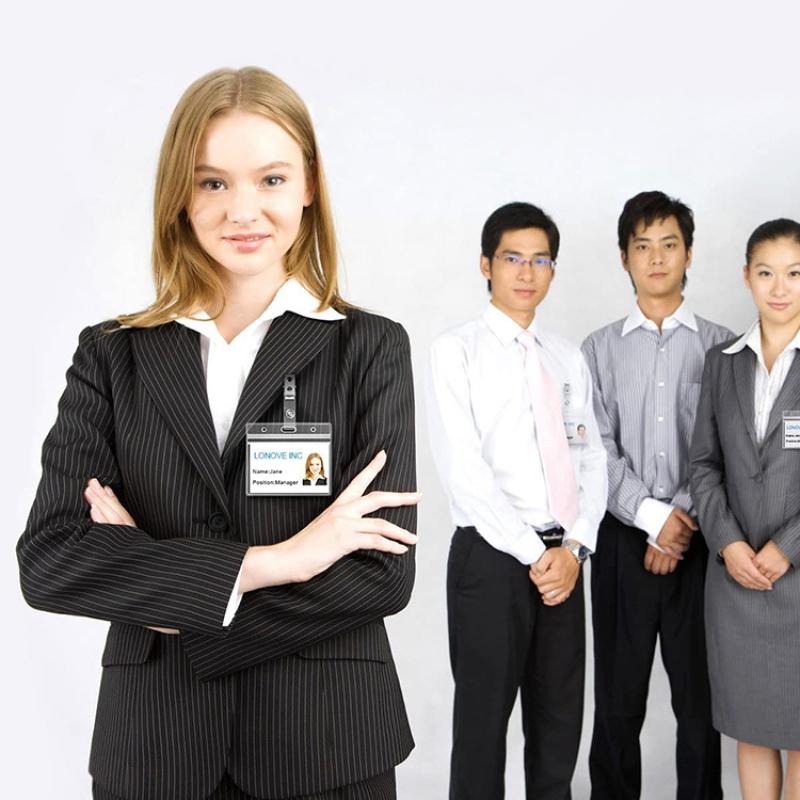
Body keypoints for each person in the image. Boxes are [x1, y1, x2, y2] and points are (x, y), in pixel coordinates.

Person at [16, 67, 420, 800]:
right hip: (155, 748)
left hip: (328, 743)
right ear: (180, 192)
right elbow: (51, 559)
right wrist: (278, 561)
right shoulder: (111, 355)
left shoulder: (369, 348)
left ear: (308, 184)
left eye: (271, 179)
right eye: (212, 183)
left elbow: (380, 571)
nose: (243, 210)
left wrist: (166, 595)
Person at [427, 202, 607, 800]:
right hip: (492, 559)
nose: (527, 272)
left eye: (540, 260)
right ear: (486, 265)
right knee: (481, 732)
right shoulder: (456, 350)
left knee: (558, 729)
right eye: (512, 258)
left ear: (553, 270)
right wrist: (537, 554)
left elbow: (590, 457)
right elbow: (464, 472)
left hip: (565, 560)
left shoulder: (566, 356)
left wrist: (574, 550)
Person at [581, 190, 730, 800]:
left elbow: (728, 449)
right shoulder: (597, 350)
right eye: (643, 246)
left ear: (689, 253)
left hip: (704, 543)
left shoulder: (725, 347)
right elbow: (594, 449)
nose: (657, 257)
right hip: (623, 542)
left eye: (670, 244)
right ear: (624, 258)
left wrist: (680, 522)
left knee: (701, 702)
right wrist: (651, 518)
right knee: (618, 702)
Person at [690, 218, 800, 800]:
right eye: (766, 273)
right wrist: (728, 543)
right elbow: (704, 466)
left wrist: (787, 547)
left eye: (795, 273)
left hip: (798, 577)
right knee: (750, 730)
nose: (779, 288)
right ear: (746, 277)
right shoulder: (722, 362)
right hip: (736, 579)